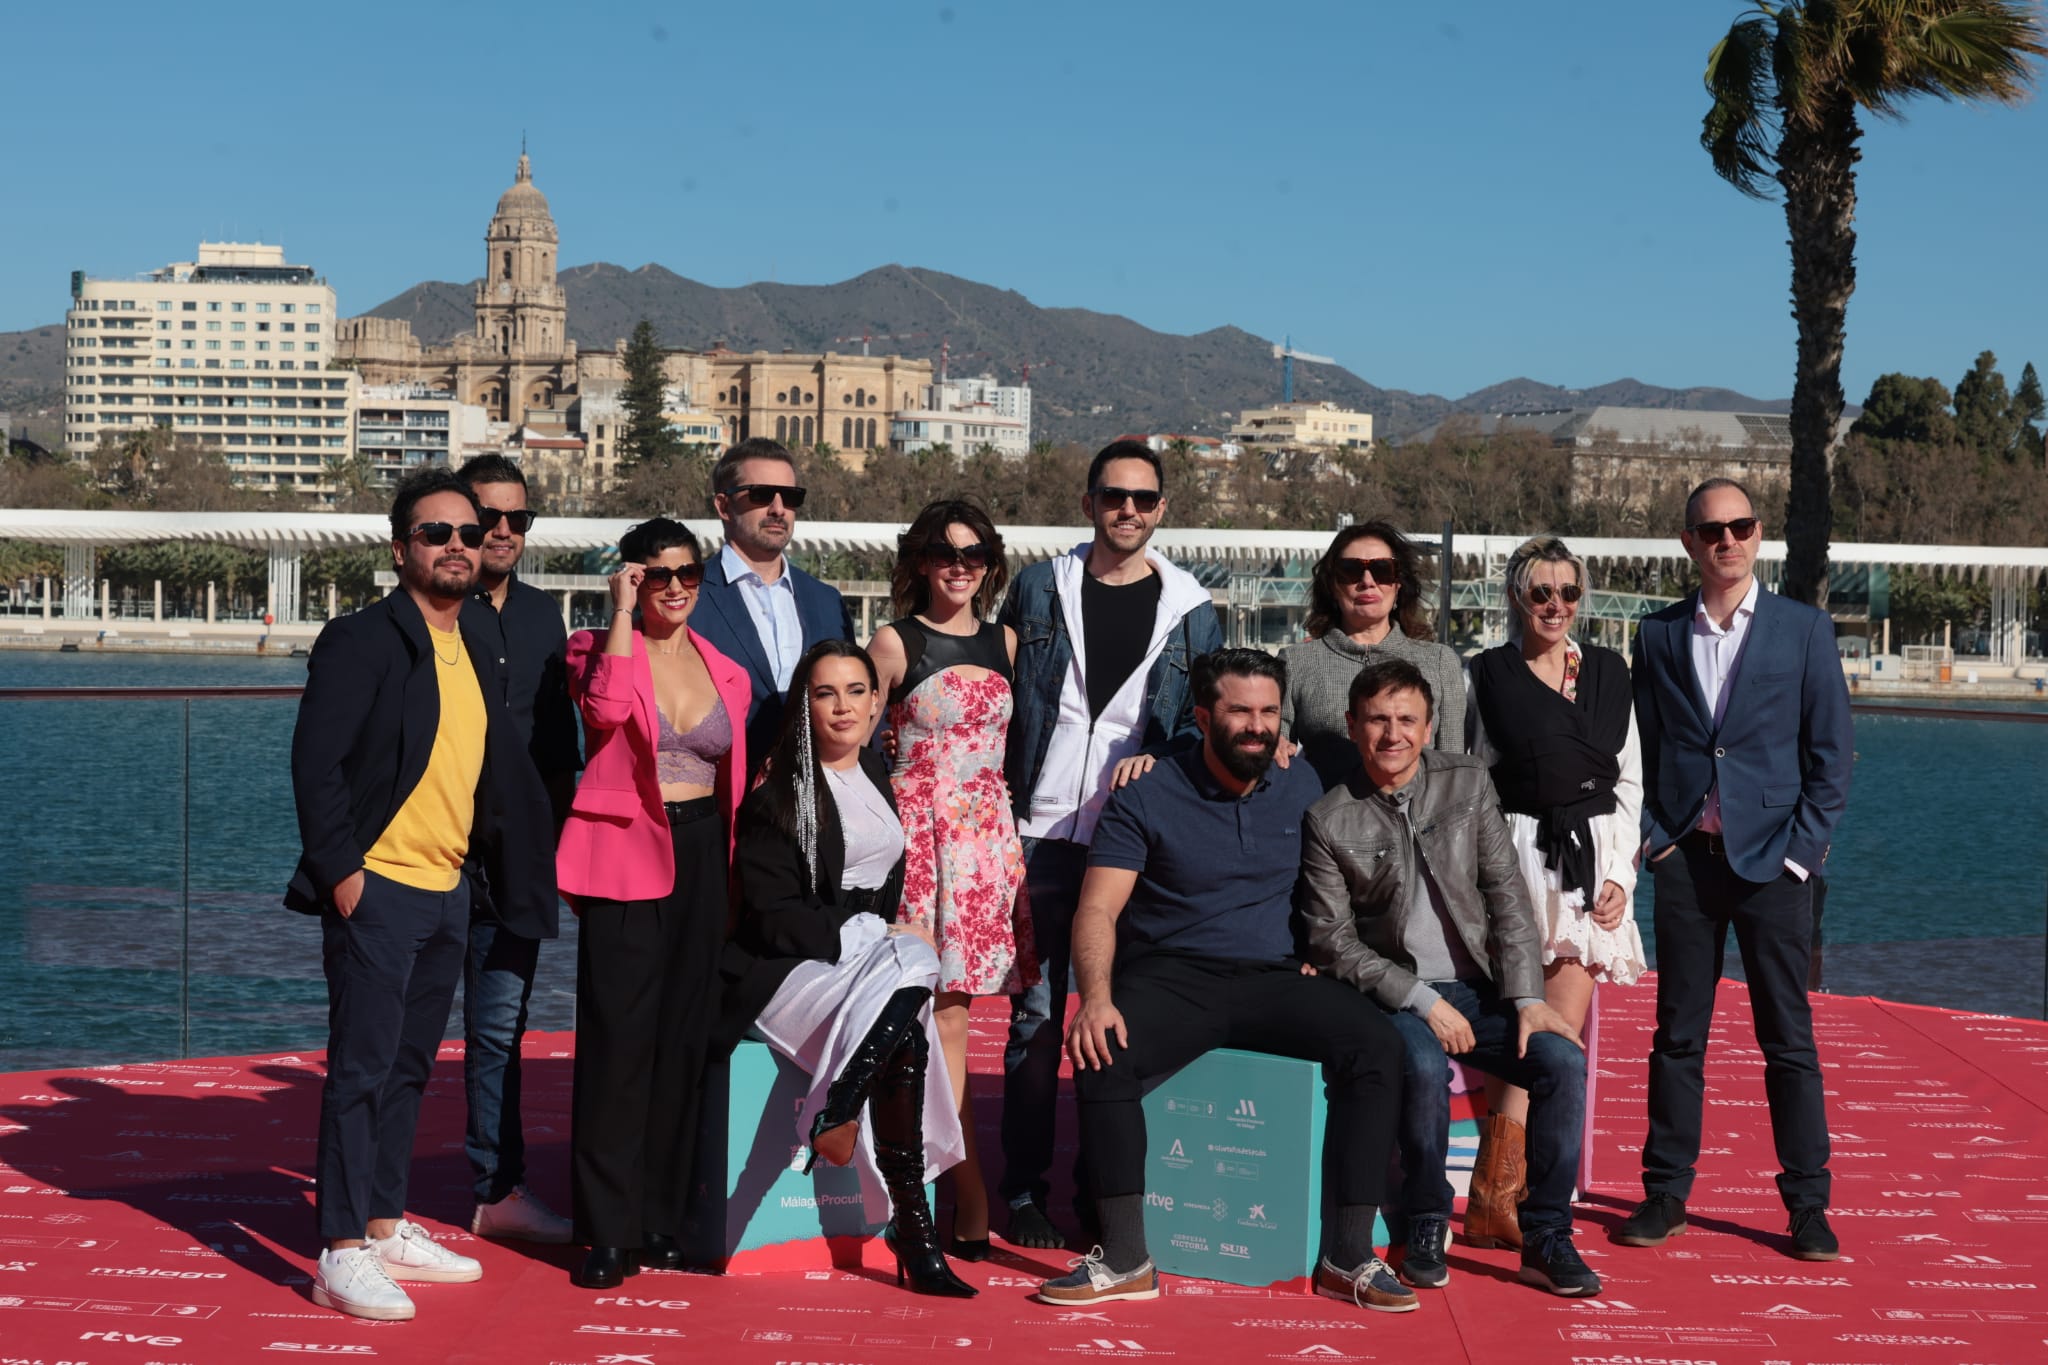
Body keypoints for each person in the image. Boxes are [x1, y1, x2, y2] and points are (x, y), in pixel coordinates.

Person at [1037, 649, 1414, 1312]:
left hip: (1274, 974)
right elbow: (1097, 907)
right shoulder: (1146, 793)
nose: (1257, 726)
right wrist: (1094, 999)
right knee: (1103, 1051)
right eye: (1240, 710)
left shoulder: (1300, 780)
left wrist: (1318, 952)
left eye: (1269, 711)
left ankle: (1348, 1253)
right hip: (1174, 975)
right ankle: (1125, 1258)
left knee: (1377, 1045)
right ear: (1203, 716)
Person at [286, 468, 557, 1322]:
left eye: (469, 535)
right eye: (437, 533)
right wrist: (343, 871)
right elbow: (315, 764)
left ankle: (385, 1219)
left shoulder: (475, 634)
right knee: (360, 1071)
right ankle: (338, 1249)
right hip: (380, 887)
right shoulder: (360, 638)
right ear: (401, 547)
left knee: (409, 1069)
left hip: (448, 889)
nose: (456, 546)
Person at [1299, 658, 1597, 1298]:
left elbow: (1506, 895)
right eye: (1377, 720)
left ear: (1430, 726)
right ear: (1352, 726)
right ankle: (1427, 1217)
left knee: (1563, 1063)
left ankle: (1547, 1235)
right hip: (1395, 997)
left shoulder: (1466, 783)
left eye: (1407, 719)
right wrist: (1421, 1000)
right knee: (1425, 1068)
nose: (1392, 734)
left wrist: (1525, 997)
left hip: (1485, 990)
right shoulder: (1330, 818)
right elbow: (1333, 941)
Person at [1617, 477, 1853, 1263]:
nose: (1727, 540)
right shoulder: (1655, 636)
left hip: (1773, 870)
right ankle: (1665, 1193)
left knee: (1788, 1039)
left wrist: (1799, 854)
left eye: (1740, 526)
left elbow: (1831, 758)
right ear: (1689, 541)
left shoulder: (1804, 630)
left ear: (1759, 536)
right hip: (1687, 862)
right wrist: (1657, 840)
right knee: (1677, 1036)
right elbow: (1640, 751)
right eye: (1710, 529)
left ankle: (1808, 1205)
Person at [997, 438, 1225, 1250]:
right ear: (1089, 501)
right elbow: (1000, 695)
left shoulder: (1195, 610)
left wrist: (1162, 760)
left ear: (1162, 509)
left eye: (1144, 498)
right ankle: (1022, 1190)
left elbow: (1209, 725)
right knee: (1031, 1020)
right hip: (1039, 833)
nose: (1128, 509)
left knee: (1114, 1021)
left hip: (1134, 846)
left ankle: (1105, 1197)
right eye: (1114, 495)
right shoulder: (1037, 587)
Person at [714, 640, 977, 1298]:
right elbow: (771, 916)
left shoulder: (876, 773)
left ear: (875, 701)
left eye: (856, 690)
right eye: (825, 692)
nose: (842, 706)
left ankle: (852, 1124)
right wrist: (863, 931)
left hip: (866, 961)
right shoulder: (780, 793)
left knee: (910, 1007)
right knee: (915, 962)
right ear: (805, 704)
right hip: (795, 968)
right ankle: (913, 1231)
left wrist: (878, 935)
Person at [555, 517, 751, 1289]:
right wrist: (619, 617)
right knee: (618, 1045)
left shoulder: (726, 669)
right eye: (655, 573)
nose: (674, 586)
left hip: (705, 855)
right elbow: (602, 714)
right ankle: (606, 1229)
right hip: (625, 856)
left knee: (682, 1043)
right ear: (630, 576)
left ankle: (662, 1219)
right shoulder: (596, 649)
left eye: (687, 573)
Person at [1461, 535, 1644, 1251]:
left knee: (1557, 1041)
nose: (1556, 606)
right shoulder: (1487, 674)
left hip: (1590, 866)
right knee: (1521, 1032)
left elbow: (1630, 782)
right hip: (1516, 859)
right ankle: (1494, 1198)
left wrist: (1619, 877)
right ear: (1517, 595)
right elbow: (1471, 777)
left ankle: (1508, 1198)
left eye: (1569, 593)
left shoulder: (1608, 671)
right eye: (1542, 593)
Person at [867, 498, 1034, 1259]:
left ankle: (959, 1187)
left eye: (974, 552)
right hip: (917, 846)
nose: (959, 565)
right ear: (921, 560)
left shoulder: (1007, 639)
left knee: (957, 1021)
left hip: (984, 848)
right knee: (914, 1019)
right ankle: (943, 1190)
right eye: (944, 551)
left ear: (990, 562)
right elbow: (852, 746)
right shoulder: (893, 643)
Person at [454, 453, 580, 1246]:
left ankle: (498, 1191)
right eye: (486, 517)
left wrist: (563, 844)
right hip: (429, 855)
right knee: (399, 1031)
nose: (502, 530)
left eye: (517, 518)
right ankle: (370, 1204)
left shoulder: (543, 619)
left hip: (519, 863)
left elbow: (560, 745)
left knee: (501, 1028)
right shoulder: (427, 612)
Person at [691, 437, 857, 773]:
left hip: (815, 800)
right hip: (719, 803)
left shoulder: (827, 602)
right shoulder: (687, 598)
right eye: (761, 495)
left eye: (791, 497)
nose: (778, 509)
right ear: (723, 506)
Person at [1281, 521, 1466, 788]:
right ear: (1333, 585)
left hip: (1415, 822)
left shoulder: (1440, 662)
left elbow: (1451, 768)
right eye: (1350, 570)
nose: (1367, 582)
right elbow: (1276, 756)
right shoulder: (1296, 663)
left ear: (1398, 584)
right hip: (1327, 820)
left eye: (1382, 570)